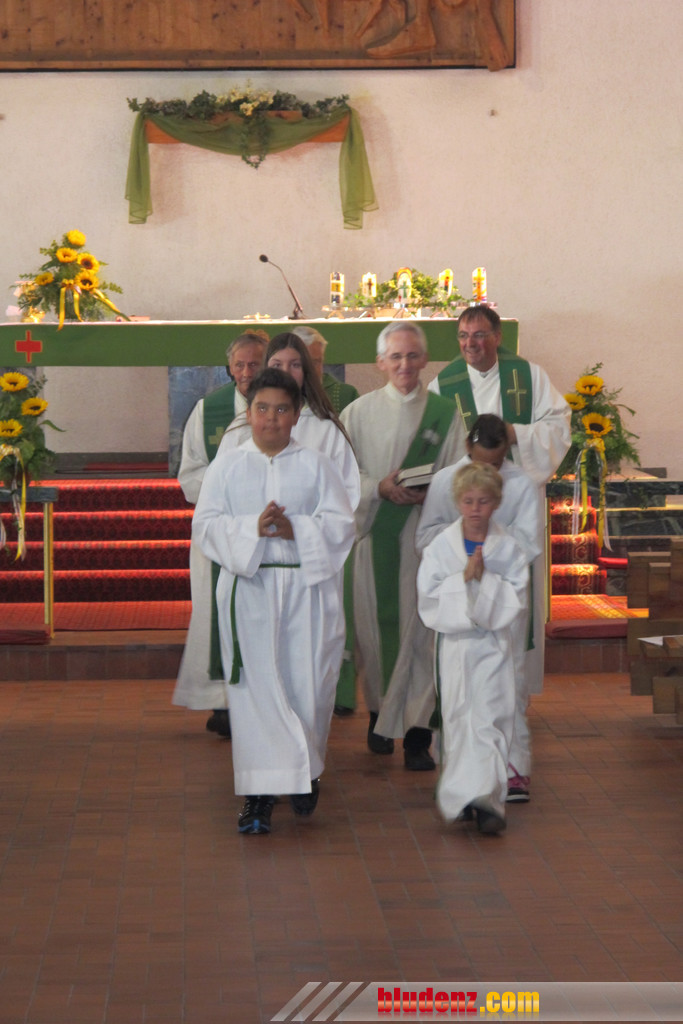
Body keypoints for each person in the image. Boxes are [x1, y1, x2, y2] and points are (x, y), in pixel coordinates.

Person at [193, 368, 356, 835]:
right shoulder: (228, 465)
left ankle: (306, 772)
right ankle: (259, 796)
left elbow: (341, 525)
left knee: (308, 685)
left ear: (296, 414)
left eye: (281, 409)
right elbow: (205, 526)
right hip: (251, 591)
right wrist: (252, 528)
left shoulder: (316, 465)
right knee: (257, 693)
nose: (271, 418)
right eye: (262, 408)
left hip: (306, 591)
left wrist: (295, 529)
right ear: (249, 413)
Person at [428, 305, 570, 799]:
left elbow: (559, 426)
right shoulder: (444, 384)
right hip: (460, 558)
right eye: (464, 335)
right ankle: (461, 759)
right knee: (461, 674)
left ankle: (510, 761)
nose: (472, 344)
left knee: (508, 662)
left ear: (497, 336)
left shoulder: (528, 377)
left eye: (481, 335)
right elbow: (437, 452)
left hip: (510, 545)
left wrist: (516, 435)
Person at [340, 320, 466, 770]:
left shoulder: (445, 414)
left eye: (413, 355)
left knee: (423, 637)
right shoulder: (358, 414)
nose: (405, 365)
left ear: (424, 359)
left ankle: (417, 735)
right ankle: (380, 715)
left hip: (425, 540)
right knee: (377, 634)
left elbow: (459, 475)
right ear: (380, 362)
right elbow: (342, 477)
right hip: (376, 537)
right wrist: (379, 488)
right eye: (395, 356)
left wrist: (431, 494)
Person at [417, 414, 541, 801]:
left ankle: (512, 769)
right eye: (482, 462)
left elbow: (529, 543)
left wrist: (490, 559)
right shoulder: (445, 481)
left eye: (498, 463)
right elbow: (426, 536)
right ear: (468, 448)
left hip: (501, 598)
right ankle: (459, 769)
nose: (490, 471)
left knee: (507, 687)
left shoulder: (522, 484)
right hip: (457, 602)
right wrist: (463, 564)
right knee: (458, 693)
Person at [173, 330, 268, 733]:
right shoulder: (207, 410)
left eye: (254, 364)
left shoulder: (282, 406)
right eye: (240, 365)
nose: (246, 372)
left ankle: (259, 699)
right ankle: (222, 702)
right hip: (220, 531)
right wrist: (227, 489)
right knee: (217, 612)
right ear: (229, 368)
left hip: (265, 532)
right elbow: (189, 473)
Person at [290, 324, 359, 716]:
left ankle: (335, 698)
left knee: (321, 640)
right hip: (273, 556)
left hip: (320, 549)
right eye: (304, 363)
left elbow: (348, 486)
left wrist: (312, 529)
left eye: (317, 363)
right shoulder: (255, 418)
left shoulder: (336, 411)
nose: (312, 371)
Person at [290, 324, 359, 414]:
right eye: (299, 364)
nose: (309, 369)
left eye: (315, 363)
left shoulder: (346, 395)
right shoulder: (278, 395)